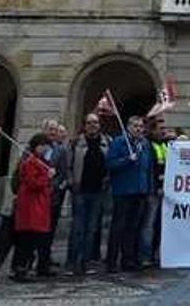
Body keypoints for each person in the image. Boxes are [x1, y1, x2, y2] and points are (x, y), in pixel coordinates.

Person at [105, 116, 154, 273]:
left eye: (141, 126)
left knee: (133, 227)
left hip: (140, 190)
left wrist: (149, 188)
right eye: (135, 126)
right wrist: (127, 160)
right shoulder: (119, 142)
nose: (138, 129)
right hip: (123, 190)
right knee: (118, 226)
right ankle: (111, 261)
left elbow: (149, 168)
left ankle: (128, 259)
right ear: (128, 127)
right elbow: (110, 163)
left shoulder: (145, 144)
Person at [66, 113, 109, 276]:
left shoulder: (106, 142)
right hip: (80, 191)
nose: (93, 125)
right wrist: (71, 181)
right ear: (84, 125)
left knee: (92, 229)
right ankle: (72, 262)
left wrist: (107, 181)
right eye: (90, 122)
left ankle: (87, 261)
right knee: (77, 228)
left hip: (98, 191)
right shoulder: (76, 142)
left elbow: (109, 165)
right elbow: (68, 165)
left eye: (96, 123)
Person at [12, 134, 55, 282]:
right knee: (27, 239)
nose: (46, 149)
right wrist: (47, 177)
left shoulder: (40, 161)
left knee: (32, 239)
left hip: (38, 204)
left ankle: (25, 268)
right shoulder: (30, 162)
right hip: (31, 205)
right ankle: (21, 269)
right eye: (44, 146)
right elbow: (32, 183)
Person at [140, 116, 170, 267]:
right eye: (161, 129)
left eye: (165, 129)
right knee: (148, 225)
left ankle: (155, 253)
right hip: (153, 191)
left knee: (160, 225)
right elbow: (149, 170)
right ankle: (145, 255)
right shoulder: (148, 146)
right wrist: (155, 187)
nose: (164, 131)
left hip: (165, 192)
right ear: (153, 130)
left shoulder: (165, 145)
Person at [41, 119, 68, 273]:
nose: (53, 132)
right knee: (33, 231)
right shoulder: (35, 147)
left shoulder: (60, 150)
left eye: (55, 130)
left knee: (49, 230)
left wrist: (56, 186)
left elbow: (63, 173)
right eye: (50, 129)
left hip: (53, 196)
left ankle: (44, 262)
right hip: (37, 197)